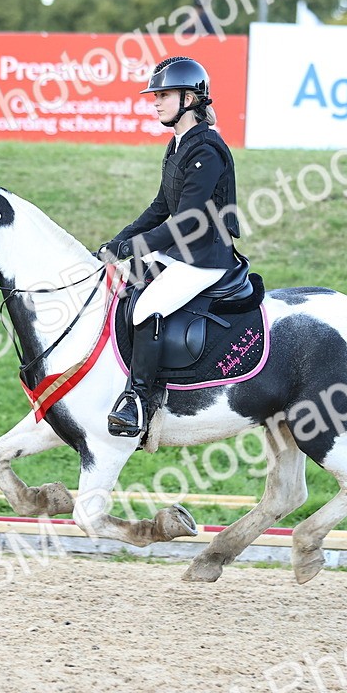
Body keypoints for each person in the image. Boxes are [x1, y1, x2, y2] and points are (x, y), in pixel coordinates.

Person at [98, 56, 240, 436]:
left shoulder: (206, 149)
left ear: (190, 99)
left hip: (206, 257)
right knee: (123, 286)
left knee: (148, 307)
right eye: (155, 95)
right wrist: (122, 240)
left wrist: (136, 246)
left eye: (163, 95)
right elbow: (162, 206)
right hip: (182, 250)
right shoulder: (177, 144)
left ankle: (140, 401)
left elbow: (189, 219)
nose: (155, 102)